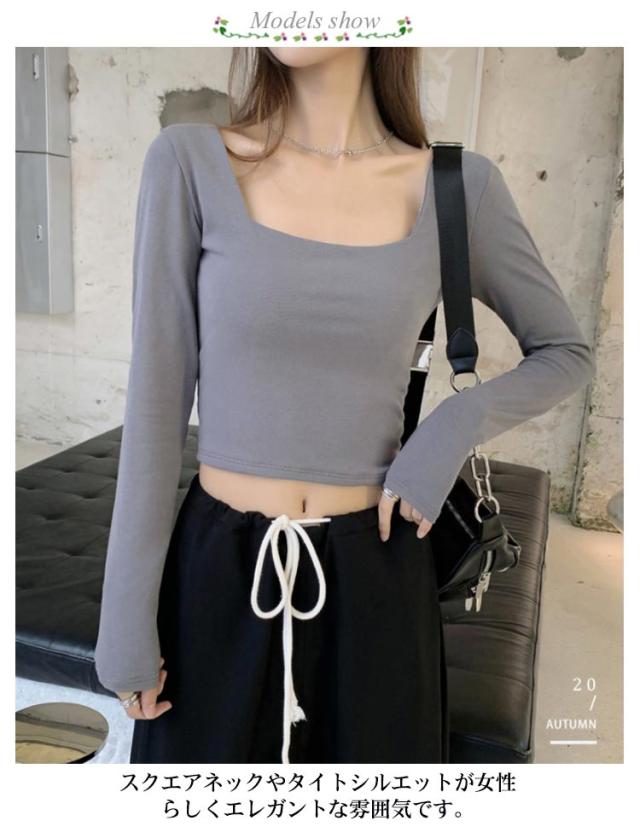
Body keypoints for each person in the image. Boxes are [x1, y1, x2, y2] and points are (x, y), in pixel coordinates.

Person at [93, 46, 596, 764]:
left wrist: (450, 428)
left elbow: (566, 351)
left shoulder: (457, 188)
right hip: (219, 575)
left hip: (379, 578)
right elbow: (155, 404)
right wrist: (124, 622)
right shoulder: (188, 163)